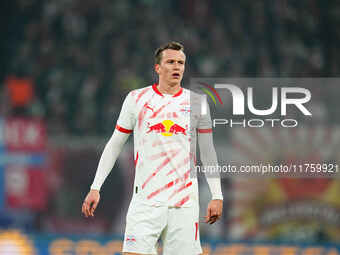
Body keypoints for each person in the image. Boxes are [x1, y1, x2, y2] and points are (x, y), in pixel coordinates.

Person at [82, 41, 223, 255]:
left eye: (181, 63)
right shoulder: (136, 99)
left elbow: (208, 152)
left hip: (183, 203)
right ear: (158, 68)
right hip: (146, 201)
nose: (177, 67)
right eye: (170, 62)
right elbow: (115, 144)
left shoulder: (198, 103)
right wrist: (96, 186)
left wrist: (217, 195)